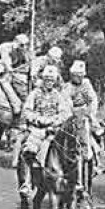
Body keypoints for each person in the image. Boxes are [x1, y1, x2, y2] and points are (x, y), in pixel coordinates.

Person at [17, 64, 72, 198]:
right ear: (43, 79)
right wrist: (39, 119)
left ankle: (72, 180)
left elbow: (66, 112)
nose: (49, 83)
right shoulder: (35, 94)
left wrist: (56, 120)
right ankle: (27, 182)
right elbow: (27, 111)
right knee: (29, 149)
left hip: (54, 129)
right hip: (37, 128)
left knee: (71, 148)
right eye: (47, 80)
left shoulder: (57, 95)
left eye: (52, 80)